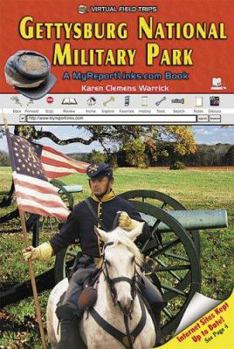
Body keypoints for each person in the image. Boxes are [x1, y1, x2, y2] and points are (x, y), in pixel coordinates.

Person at [23, 163, 164, 348]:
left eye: (100, 180)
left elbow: (150, 235)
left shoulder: (124, 207)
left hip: (122, 266)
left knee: (155, 298)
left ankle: (157, 338)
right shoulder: (81, 210)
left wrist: (131, 224)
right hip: (88, 267)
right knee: (67, 308)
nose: (96, 184)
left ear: (110, 181)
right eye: (92, 181)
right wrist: (37, 252)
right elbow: (61, 239)